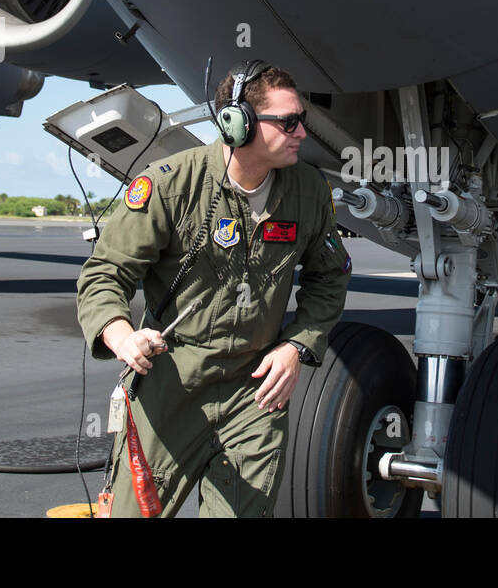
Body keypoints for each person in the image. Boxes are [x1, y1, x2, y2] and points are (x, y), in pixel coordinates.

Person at [76, 61, 351, 517]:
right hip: (173, 386)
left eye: (301, 119)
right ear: (237, 123)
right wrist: (123, 337)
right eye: (288, 122)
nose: (302, 132)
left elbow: (330, 277)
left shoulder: (309, 190)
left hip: (255, 392)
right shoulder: (169, 185)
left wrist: (296, 348)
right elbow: (104, 274)